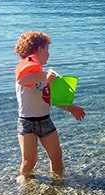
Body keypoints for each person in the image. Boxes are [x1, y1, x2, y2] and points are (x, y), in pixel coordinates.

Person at [14, 31, 85, 182]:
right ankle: (23, 186)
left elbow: (51, 98)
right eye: (47, 49)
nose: (49, 54)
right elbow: (22, 79)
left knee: (57, 156)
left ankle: (58, 184)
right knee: (30, 161)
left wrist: (70, 108)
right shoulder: (28, 66)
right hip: (27, 123)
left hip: (45, 120)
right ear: (40, 49)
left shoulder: (44, 73)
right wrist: (44, 76)